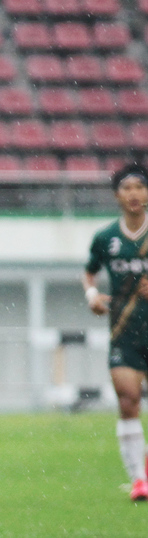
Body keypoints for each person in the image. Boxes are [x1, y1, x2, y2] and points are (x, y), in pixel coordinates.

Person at [83, 163, 148, 502]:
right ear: (116, 195)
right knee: (127, 400)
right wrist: (92, 295)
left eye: (139, 186)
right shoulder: (105, 237)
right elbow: (89, 272)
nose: (133, 194)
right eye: (126, 188)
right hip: (125, 333)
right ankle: (139, 479)